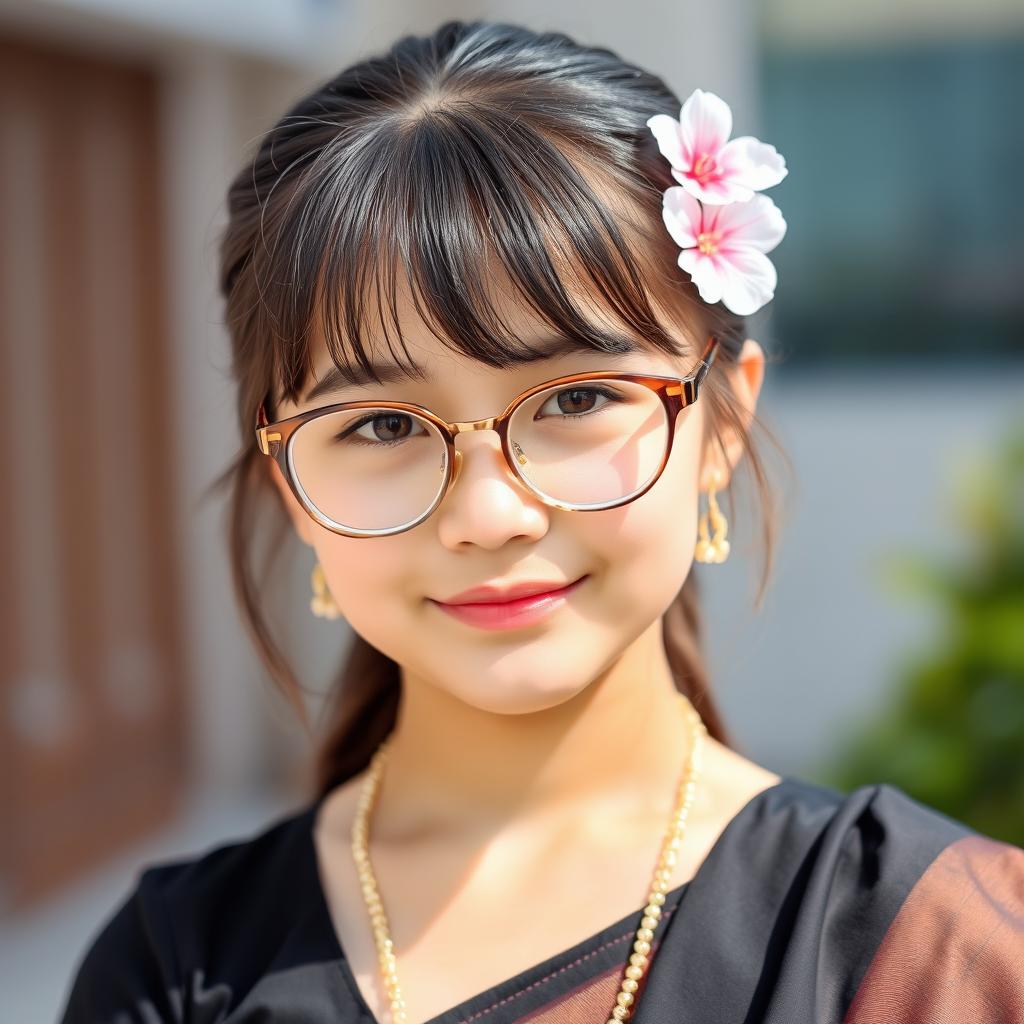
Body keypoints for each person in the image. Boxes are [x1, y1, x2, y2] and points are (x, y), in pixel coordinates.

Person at [59, 19, 1024, 1024]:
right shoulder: (176, 970)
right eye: (384, 422)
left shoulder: (938, 953)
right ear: (289, 486)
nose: (489, 514)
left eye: (573, 399)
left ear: (723, 420)